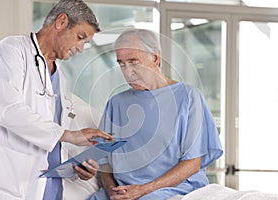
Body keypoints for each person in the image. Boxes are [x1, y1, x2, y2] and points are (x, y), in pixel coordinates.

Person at [0, 0, 113, 200]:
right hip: (8, 183)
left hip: (50, 188)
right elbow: (8, 110)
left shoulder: (61, 78)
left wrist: (76, 166)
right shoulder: (11, 51)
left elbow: (50, 132)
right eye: (80, 37)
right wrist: (70, 135)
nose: (80, 49)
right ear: (61, 21)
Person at [89, 28, 223, 200]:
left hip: (172, 190)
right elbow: (104, 162)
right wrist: (112, 192)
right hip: (124, 193)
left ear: (155, 58)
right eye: (121, 63)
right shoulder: (116, 103)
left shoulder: (188, 97)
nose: (128, 71)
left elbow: (193, 163)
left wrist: (143, 190)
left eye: (133, 61)